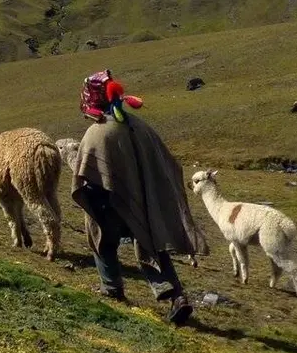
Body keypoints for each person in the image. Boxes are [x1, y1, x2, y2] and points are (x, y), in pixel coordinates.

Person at [71, 70, 206, 325]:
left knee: (100, 238)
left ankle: (112, 288)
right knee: (150, 243)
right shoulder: (139, 125)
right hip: (145, 200)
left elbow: (87, 175)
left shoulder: (97, 133)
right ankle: (176, 295)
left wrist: (93, 197)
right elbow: (165, 160)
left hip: (111, 203)